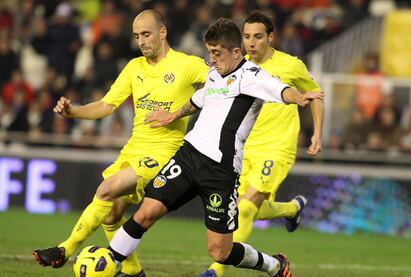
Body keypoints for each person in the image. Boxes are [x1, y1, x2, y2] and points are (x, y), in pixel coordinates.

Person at [107, 18, 322, 277]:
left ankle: (273, 265)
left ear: (235, 52)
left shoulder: (251, 77)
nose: (212, 59)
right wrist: (172, 115)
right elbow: (197, 101)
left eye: (217, 53)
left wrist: (299, 97)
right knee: (145, 213)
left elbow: (281, 90)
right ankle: (109, 263)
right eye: (209, 52)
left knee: (220, 251)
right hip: (188, 157)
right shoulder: (213, 74)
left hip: (220, 172)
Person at [33, 9, 208, 277]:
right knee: (113, 215)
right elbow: (106, 104)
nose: (141, 41)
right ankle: (135, 271)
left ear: (163, 32)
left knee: (106, 189)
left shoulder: (188, 65)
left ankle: (64, 250)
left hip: (164, 152)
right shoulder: (134, 67)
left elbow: (223, 84)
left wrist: (182, 111)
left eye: (146, 34)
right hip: (133, 148)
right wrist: (74, 111)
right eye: (137, 36)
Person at [200, 11, 324, 277]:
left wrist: (317, 134)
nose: (251, 43)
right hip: (244, 149)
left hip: (277, 149)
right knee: (245, 208)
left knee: (245, 208)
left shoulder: (291, 65)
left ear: (270, 37)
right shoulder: (239, 67)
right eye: (246, 37)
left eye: (257, 36)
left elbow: (316, 95)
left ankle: (216, 271)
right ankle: (291, 209)